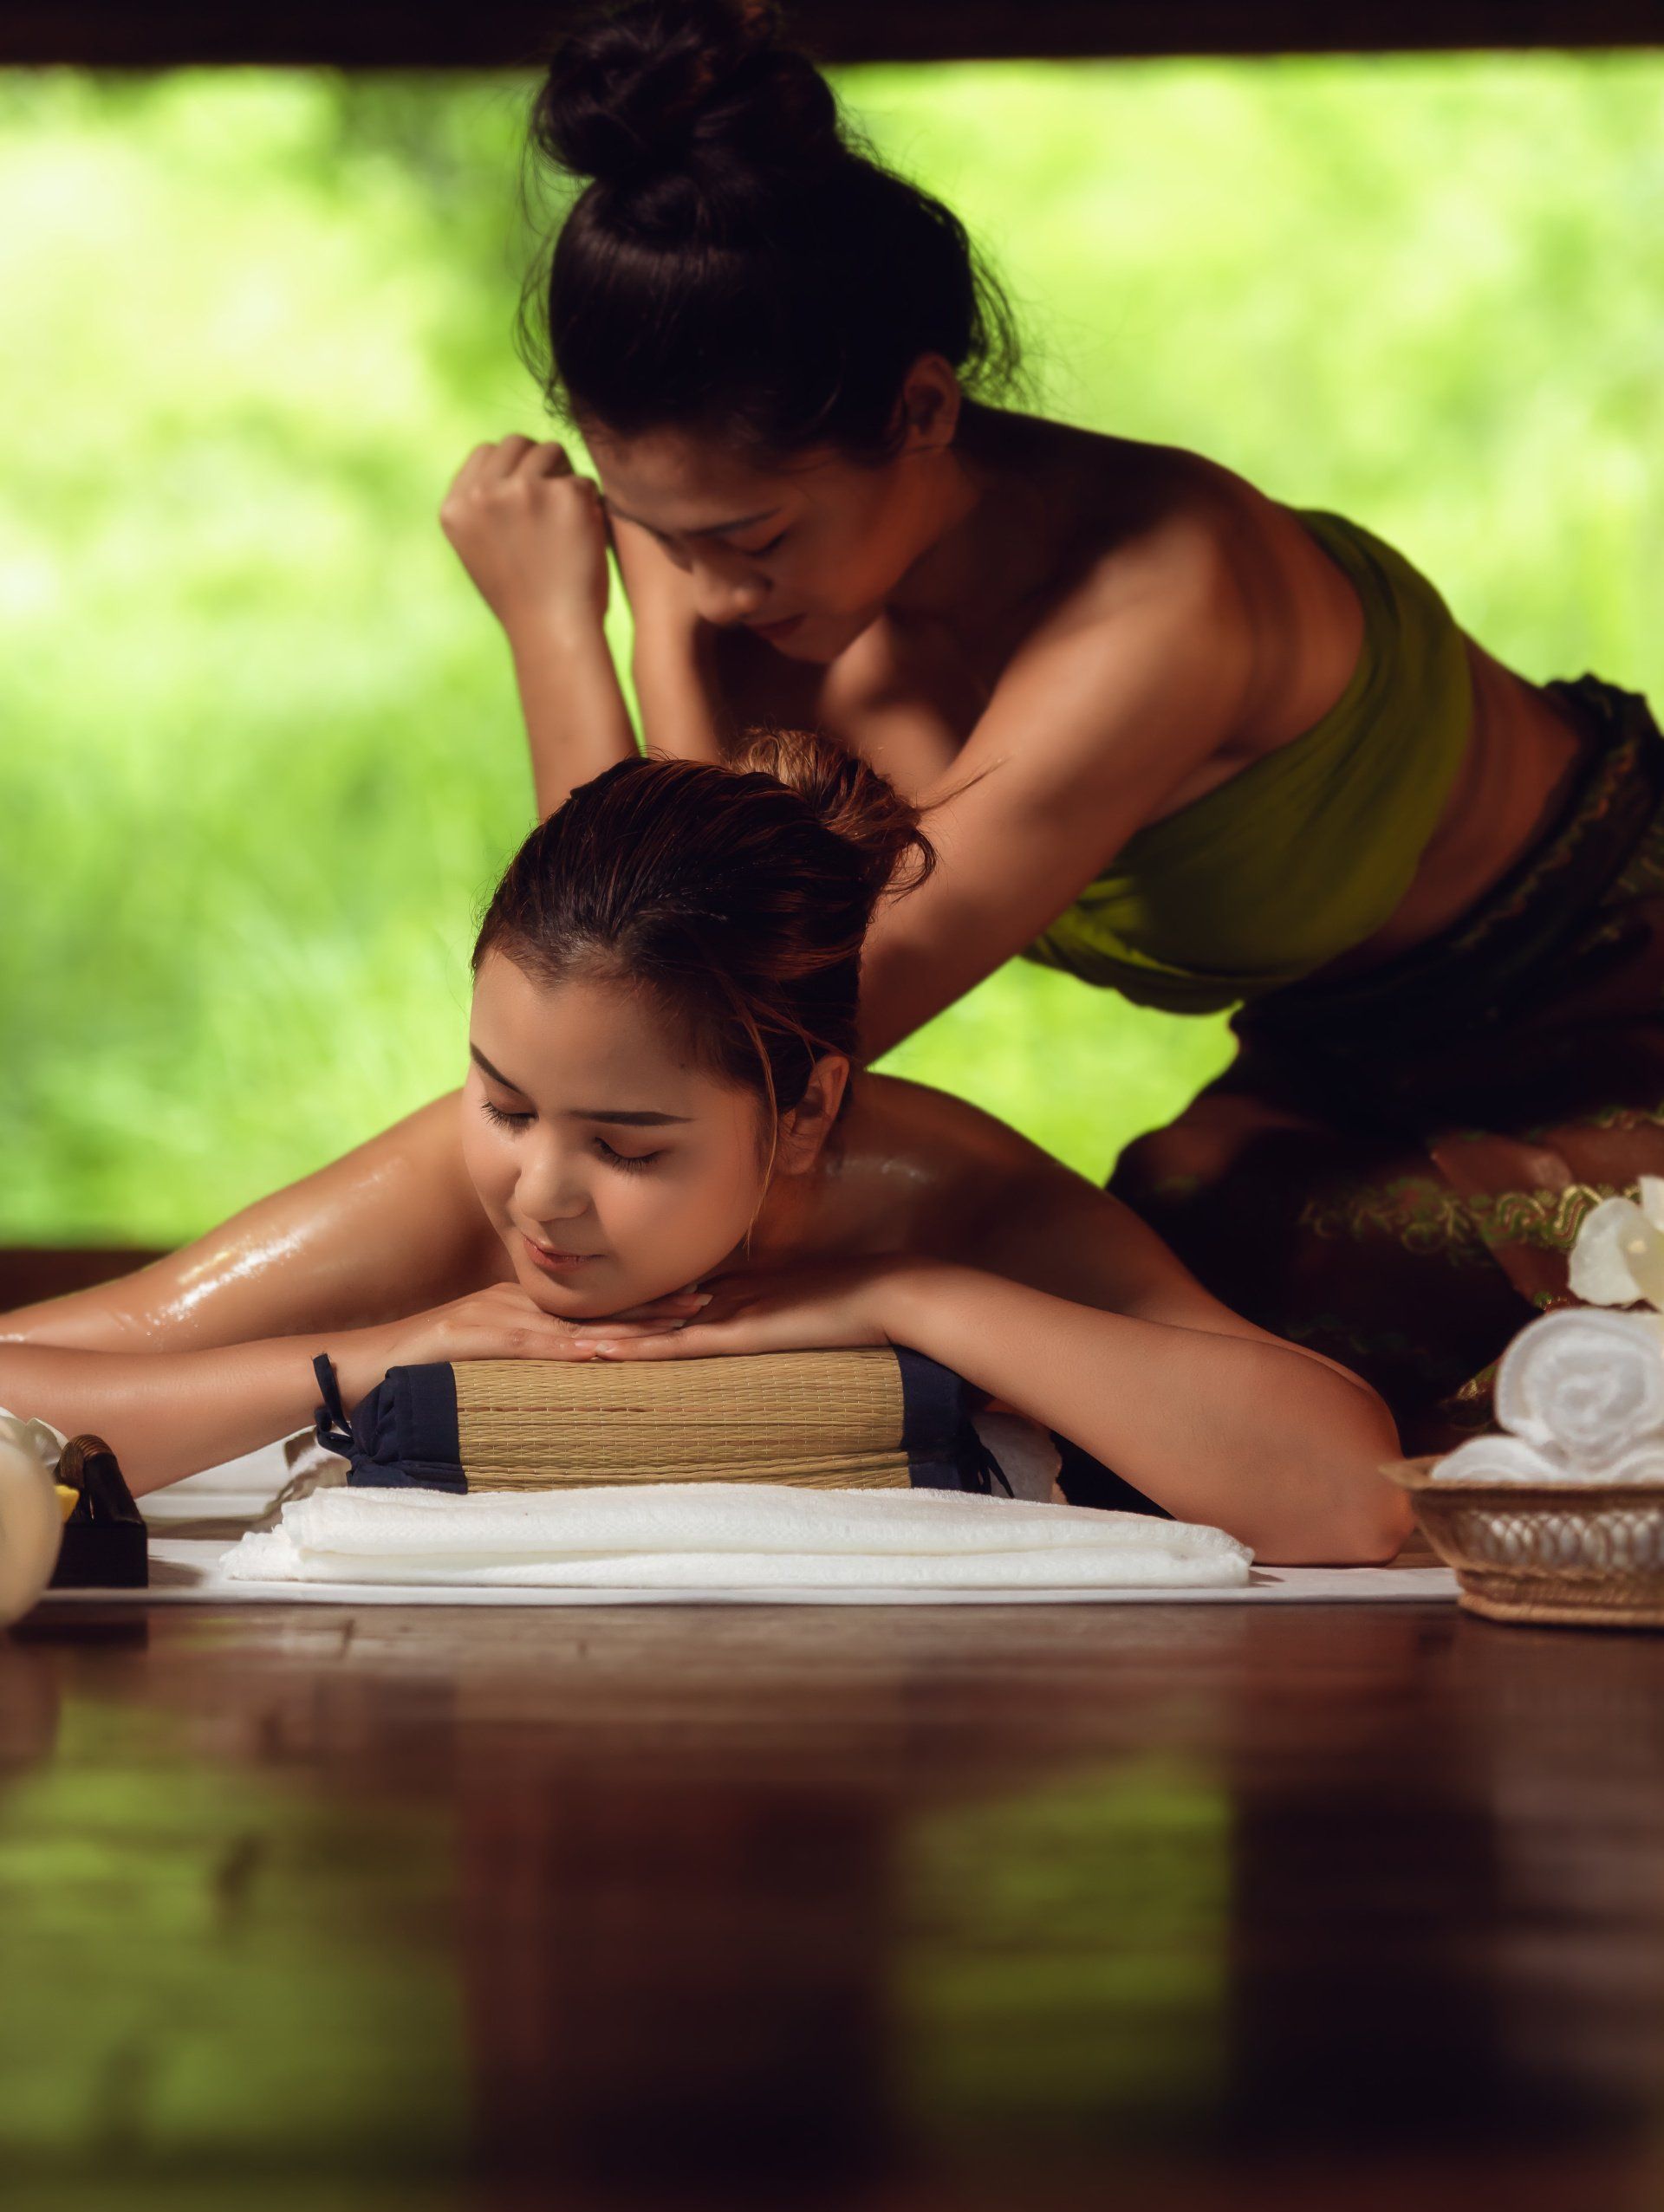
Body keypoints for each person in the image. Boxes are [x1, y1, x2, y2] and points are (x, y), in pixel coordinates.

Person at [440, 0, 1664, 1449]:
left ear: (920, 410)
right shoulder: (761, 580)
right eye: (648, 532)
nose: (705, 588)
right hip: (1342, 1050)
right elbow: (639, 1000)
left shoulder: (1159, 604)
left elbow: (710, 1042)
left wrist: (564, 631)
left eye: (748, 537)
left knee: (1219, 1319)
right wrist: (648, 611)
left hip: (1613, 995)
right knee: (1140, 1275)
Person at [1, 733, 1403, 1560]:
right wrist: (362, 1357)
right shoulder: (455, 1192)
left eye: (626, 1144)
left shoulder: (945, 1196)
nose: (538, 1194)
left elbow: (1350, 1488)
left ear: (805, 1112)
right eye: (504, 1101)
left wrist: (907, 1301)